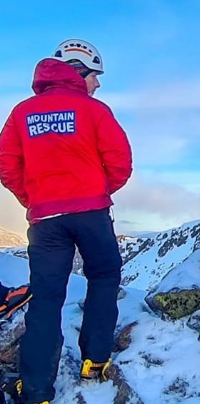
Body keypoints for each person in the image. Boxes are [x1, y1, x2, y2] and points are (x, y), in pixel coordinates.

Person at [0, 39, 132, 404]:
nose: (98, 84)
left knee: (46, 298)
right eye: (94, 75)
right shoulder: (94, 111)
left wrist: (35, 199)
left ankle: (37, 389)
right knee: (104, 277)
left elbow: (7, 166)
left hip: (46, 220)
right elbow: (120, 162)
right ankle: (95, 360)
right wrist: (97, 192)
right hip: (91, 214)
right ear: (78, 71)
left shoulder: (22, 113)